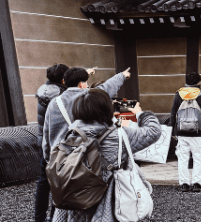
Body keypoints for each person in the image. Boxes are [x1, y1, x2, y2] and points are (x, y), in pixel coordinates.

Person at [50, 88, 161, 222]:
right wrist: (140, 113)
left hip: (74, 200)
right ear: (107, 109)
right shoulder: (119, 136)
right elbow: (153, 131)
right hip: (106, 203)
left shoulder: (71, 135)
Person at [43, 67, 129, 165]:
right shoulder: (90, 97)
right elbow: (107, 87)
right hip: (87, 158)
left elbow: (47, 134)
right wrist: (122, 76)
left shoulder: (54, 103)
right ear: (81, 84)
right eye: (86, 83)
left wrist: (49, 158)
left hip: (61, 160)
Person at [170, 72, 201, 192]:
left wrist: (172, 130)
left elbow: (173, 113)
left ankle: (184, 183)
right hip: (198, 132)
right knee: (199, 157)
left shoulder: (178, 95)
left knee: (183, 158)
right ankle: (197, 183)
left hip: (181, 132)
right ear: (199, 82)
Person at [33, 63, 69, 222]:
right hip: (57, 145)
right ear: (63, 80)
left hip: (43, 143)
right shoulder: (61, 96)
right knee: (58, 182)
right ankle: (55, 217)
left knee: (43, 182)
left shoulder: (43, 91)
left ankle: (39, 218)